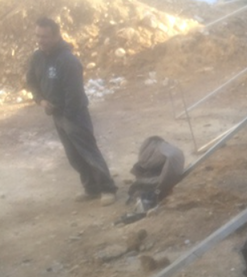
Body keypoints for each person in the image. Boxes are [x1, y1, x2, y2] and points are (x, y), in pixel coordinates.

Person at [26, 16, 117, 205]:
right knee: (73, 155)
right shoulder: (37, 57)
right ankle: (91, 189)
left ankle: (107, 189)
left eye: (45, 37)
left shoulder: (67, 60)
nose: (40, 40)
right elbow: (32, 81)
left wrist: (68, 117)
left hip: (74, 114)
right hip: (56, 114)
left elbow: (74, 94)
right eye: (38, 36)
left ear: (57, 35)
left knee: (88, 152)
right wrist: (41, 100)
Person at [128, 136, 185, 212]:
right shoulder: (168, 151)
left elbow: (144, 165)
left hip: (166, 175)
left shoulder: (154, 156)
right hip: (172, 169)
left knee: (141, 183)